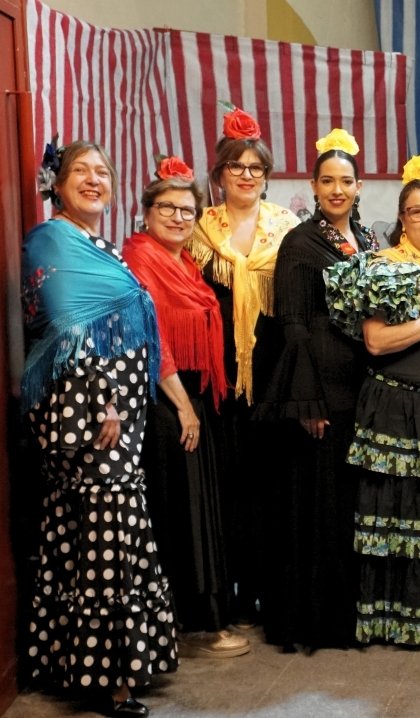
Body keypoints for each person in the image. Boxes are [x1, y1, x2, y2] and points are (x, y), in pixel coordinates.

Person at [22, 140, 177, 717]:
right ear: (56, 186)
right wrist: (104, 404)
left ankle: (71, 663)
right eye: (80, 172)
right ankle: (110, 680)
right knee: (110, 542)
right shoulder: (51, 240)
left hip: (115, 420)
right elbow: (66, 328)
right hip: (89, 419)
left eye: (103, 172)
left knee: (83, 537)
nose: (94, 180)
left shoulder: (96, 244)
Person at [326, 153, 420, 646]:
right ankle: (395, 622)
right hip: (396, 405)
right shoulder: (384, 267)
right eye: (418, 212)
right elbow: (375, 342)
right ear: (402, 221)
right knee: (398, 516)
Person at [255, 129, 378, 649]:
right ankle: (315, 621)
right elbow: (294, 325)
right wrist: (307, 400)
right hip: (322, 390)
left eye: (345, 181)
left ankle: (353, 611)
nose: (336, 189)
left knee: (354, 503)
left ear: (358, 186)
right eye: (327, 181)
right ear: (312, 185)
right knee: (320, 505)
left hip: (363, 387)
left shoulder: (369, 239)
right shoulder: (300, 243)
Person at [123, 157, 249, 660]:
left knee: (197, 511)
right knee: (179, 513)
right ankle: (190, 627)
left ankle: (197, 621)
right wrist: (184, 407)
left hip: (193, 398)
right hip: (165, 402)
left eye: (187, 210)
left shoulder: (185, 263)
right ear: (147, 211)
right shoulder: (140, 259)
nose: (178, 217)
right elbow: (151, 341)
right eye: (167, 207)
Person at [188, 106, 299, 627]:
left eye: (257, 168)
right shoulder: (198, 230)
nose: (248, 176)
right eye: (238, 166)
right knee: (227, 485)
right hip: (218, 379)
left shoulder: (287, 228)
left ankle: (272, 589)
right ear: (219, 174)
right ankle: (229, 592)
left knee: (272, 484)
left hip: (273, 376)